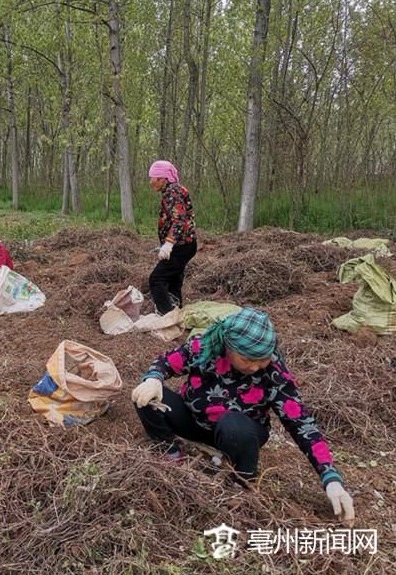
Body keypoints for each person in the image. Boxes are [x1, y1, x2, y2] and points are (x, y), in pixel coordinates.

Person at [132, 307, 355, 525]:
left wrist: (330, 478)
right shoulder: (203, 348)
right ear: (228, 347)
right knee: (145, 395)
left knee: (233, 424)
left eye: (262, 359)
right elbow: (165, 362)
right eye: (247, 359)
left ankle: (242, 479)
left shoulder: (275, 374)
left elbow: (302, 425)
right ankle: (170, 451)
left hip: (240, 432)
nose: (256, 366)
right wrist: (153, 378)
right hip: (194, 420)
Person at [148, 160, 197, 315]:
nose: (151, 182)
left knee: (157, 279)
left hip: (181, 246)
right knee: (174, 278)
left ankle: (167, 316)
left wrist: (168, 244)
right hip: (186, 244)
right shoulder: (176, 190)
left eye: (153, 178)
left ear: (163, 179)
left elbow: (179, 219)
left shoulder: (172, 192)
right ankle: (176, 308)